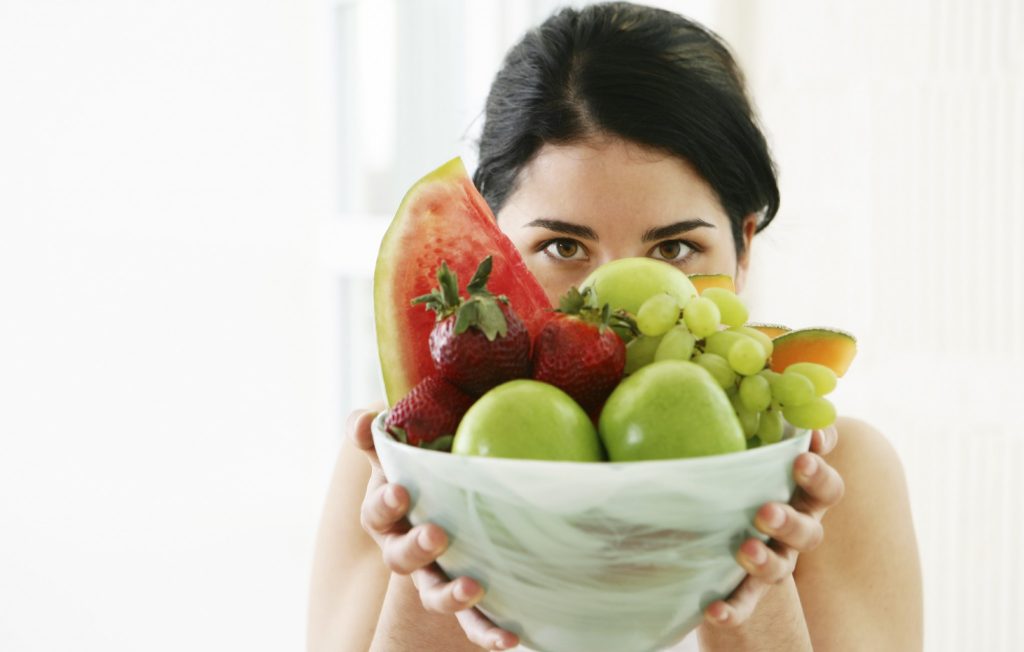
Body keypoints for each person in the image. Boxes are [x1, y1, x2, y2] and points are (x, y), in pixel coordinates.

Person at [308, 3, 923, 651]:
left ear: (743, 249)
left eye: (675, 248)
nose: (621, 309)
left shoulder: (840, 474)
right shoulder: (392, 464)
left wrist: (747, 553)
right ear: (490, 246)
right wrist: (440, 523)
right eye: (564, 247)